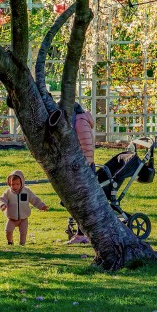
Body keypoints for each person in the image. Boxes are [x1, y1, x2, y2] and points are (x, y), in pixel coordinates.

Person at [68, 101, 96, 244]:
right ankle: (80, 233)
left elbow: (82, 145)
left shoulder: (78, 122)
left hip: (83, 165)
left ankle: (81, 234)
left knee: (80, 200)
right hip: (89, 163)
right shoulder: (84, 120)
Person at [0, 169, 47, 245]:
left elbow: (34, 199)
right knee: (8, 230)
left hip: (23, 218)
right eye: (12, 184)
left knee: (23, 232)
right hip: (11, 217)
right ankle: (10, 242)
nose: (15, 186)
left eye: (17, 184)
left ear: (22, 183)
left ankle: (22, 244)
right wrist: (2, 205)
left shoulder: (26, 191)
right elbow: (2, 199)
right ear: (9, 183)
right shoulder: (8, 192)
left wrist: (41, 206)